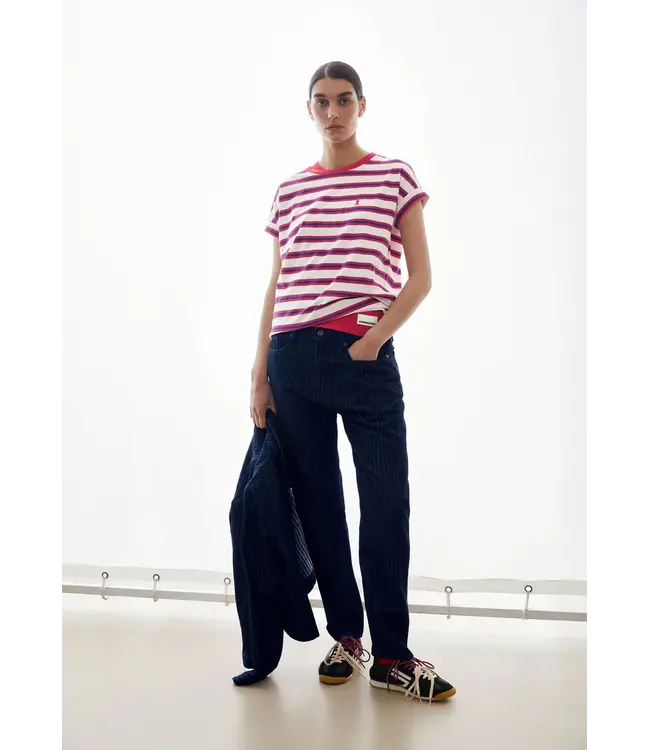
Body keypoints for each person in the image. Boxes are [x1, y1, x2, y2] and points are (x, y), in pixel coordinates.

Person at [249, 61, 456, 703]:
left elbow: (420, 277)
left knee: (386, 503)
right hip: (292, 359)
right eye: (322, 102)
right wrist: (259, 372)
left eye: (344, 100)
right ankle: (348, 634)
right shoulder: (289, 191)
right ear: (308, 110)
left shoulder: (394, 177)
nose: (333, 112)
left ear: (362, 105)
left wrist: (372, 341)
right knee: (319, 504)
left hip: (363, 357)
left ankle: (392, 655)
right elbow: (277, 283)